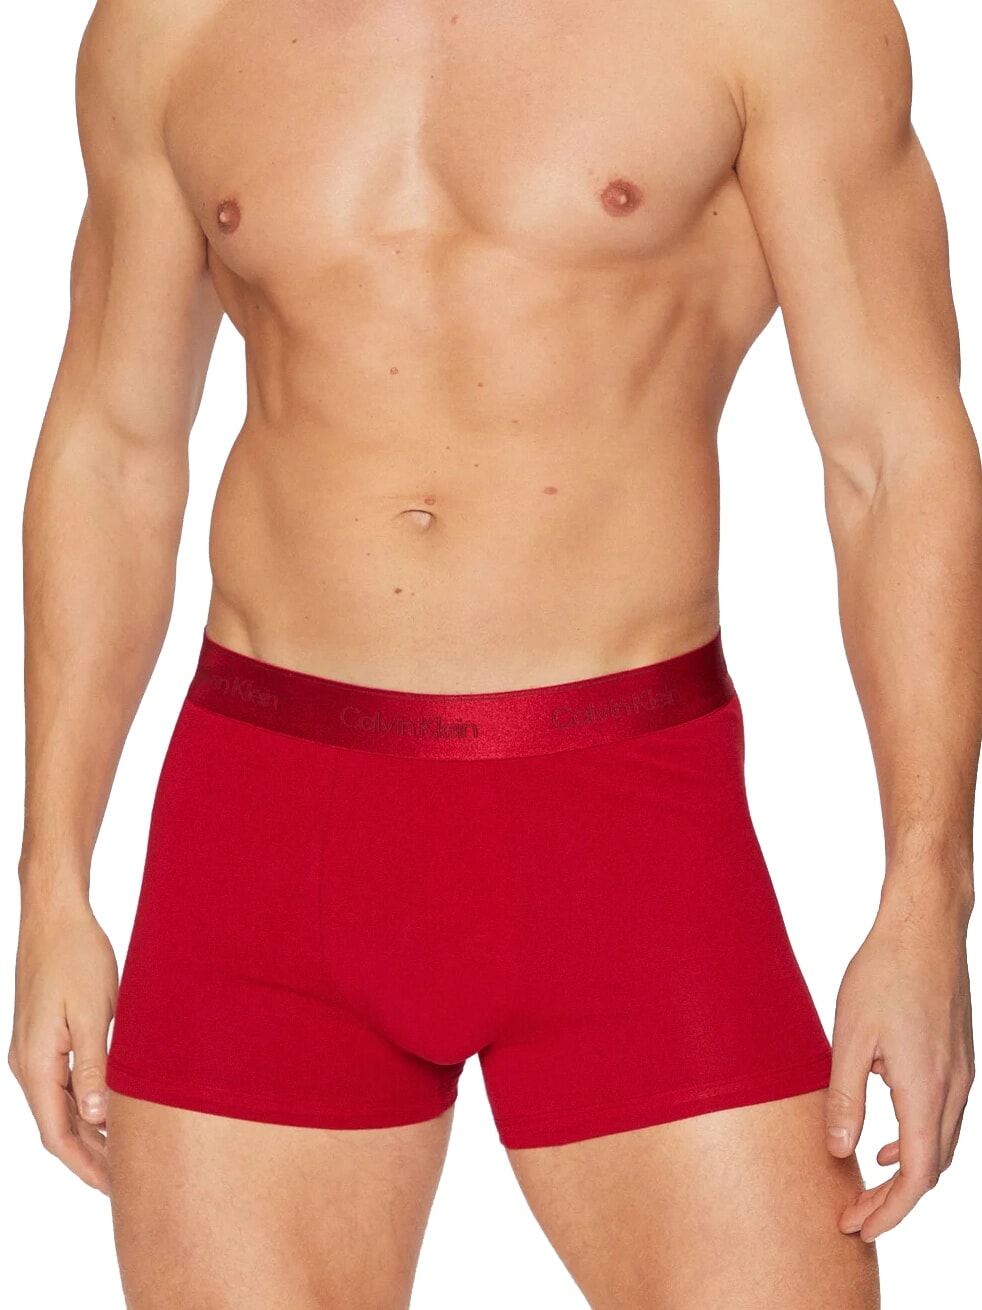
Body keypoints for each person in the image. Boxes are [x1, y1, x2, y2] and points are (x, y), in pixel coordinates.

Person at [8, 0, 979, 1304]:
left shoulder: (768, 20)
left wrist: (927, 894)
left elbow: (894, 455)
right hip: (264, 837)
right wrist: (52, 884)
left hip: (624, 828)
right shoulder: (175, 27)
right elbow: (112, 448)